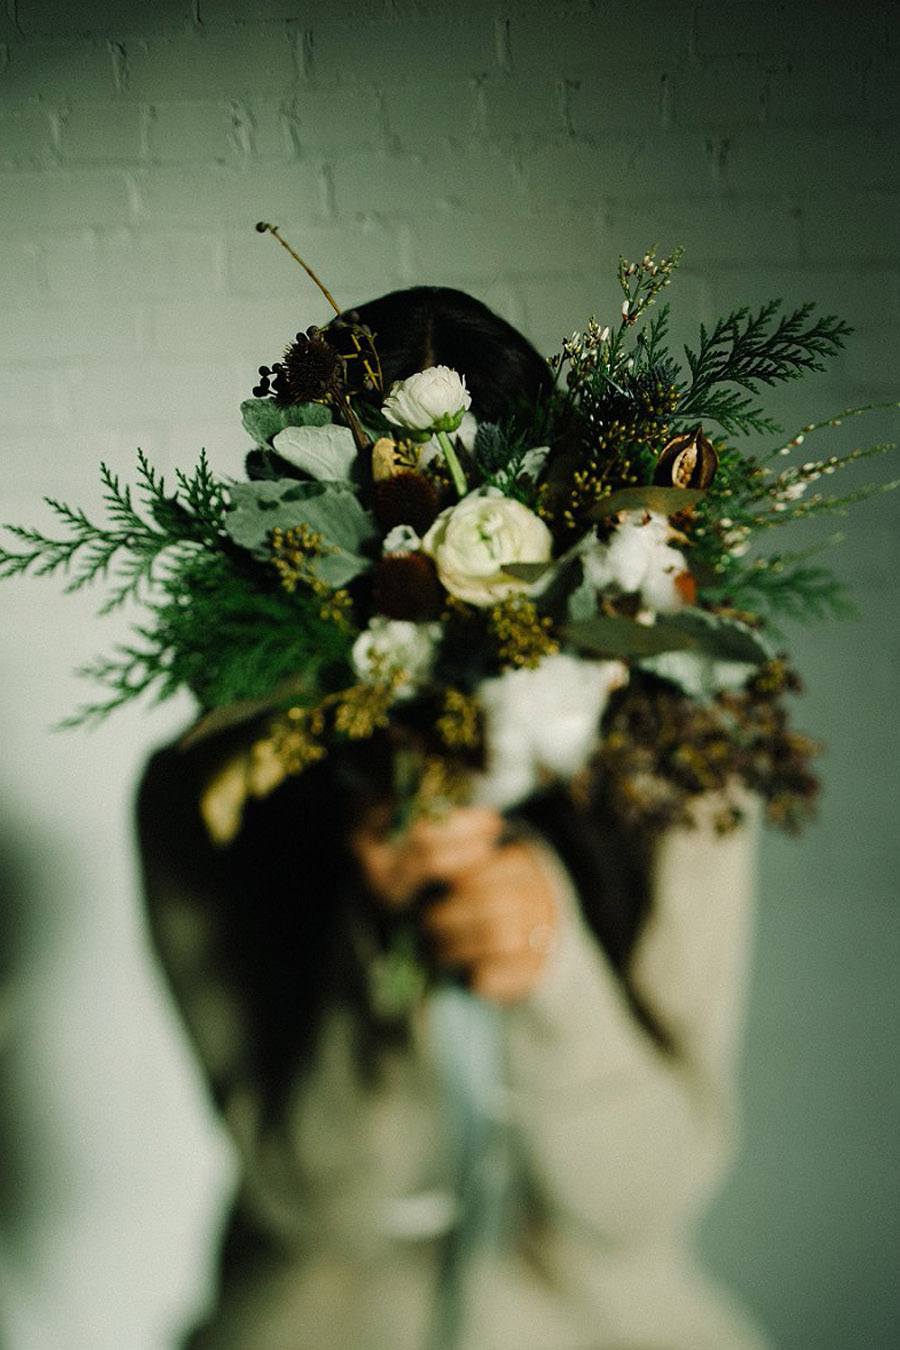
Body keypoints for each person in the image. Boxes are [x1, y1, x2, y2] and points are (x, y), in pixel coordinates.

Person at [137, 287, 772, 1350]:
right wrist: (375, 949)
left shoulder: (679, 779)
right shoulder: (214, 794)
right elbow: (314, 1207)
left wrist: (553, 968)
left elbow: (644, 1204)